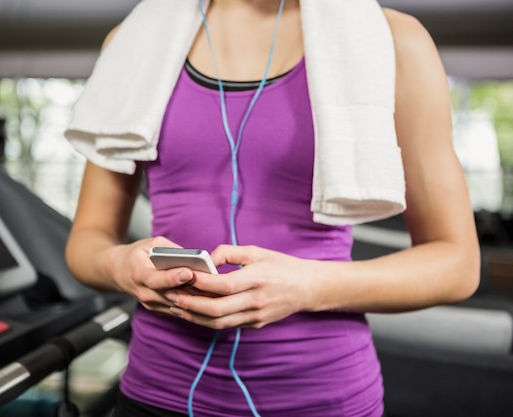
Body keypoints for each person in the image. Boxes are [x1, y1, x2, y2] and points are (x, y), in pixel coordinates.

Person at [64, 0, 480, 416]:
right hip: (156, 392)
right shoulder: (131, 45)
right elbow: (86, 242)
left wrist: (307, 286)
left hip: (320, 397)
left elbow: (457, 264)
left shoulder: (394, 41)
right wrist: (121, 266)